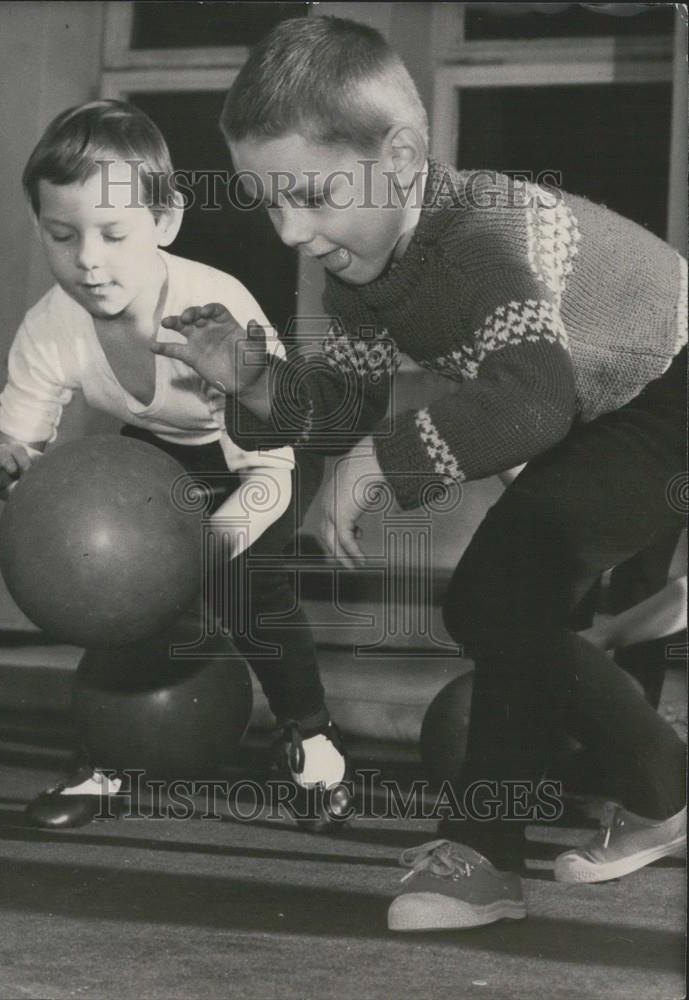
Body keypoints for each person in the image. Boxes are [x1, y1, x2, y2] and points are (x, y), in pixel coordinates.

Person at [152, 16, 687, 930]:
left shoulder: (479, 235)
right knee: (506, 605)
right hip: (595, 400)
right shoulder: (358, 273)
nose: (290, 231)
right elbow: (347, 405)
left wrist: (377, 465)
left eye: (312, 196)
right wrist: (251, 380)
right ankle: (655, 792)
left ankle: (494, 857)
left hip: (665, 387)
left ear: (400, 156)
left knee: (500, 593)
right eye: (268, 202)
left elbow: (528, 402)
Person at [0, 99, 351, 833]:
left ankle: (314, 742)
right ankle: (107, 759)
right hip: (162, 447)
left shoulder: (214, 308)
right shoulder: (51, 324)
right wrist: (15, 464)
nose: (87, 260)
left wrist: (205, 548)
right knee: (122, 584)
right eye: (61, 234)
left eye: (113, 234)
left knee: (244, 585)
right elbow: (21, 444)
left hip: (270, 445)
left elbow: (267, 466)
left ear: (165, 221)